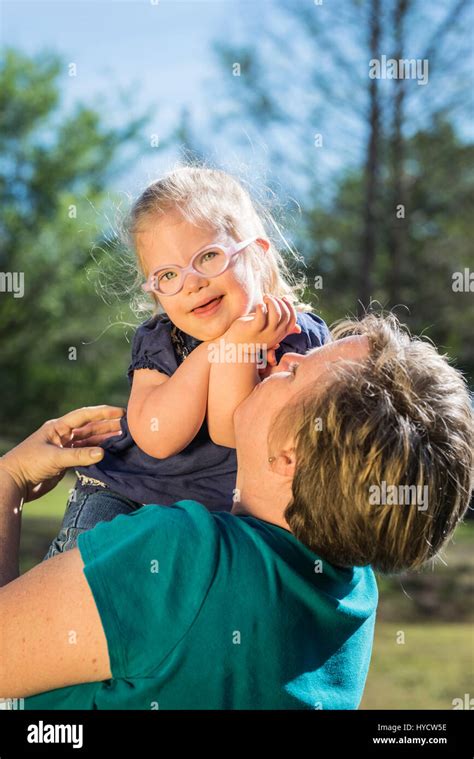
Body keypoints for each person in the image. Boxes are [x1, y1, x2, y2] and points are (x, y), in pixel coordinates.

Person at [0, 314, 471, 709]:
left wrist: (10, 482)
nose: (286, 356)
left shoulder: (185, 559)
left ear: (291, 456)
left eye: (294, 373)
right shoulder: (352, 592)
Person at [43, 166, 330, 561]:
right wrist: (217, 350)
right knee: (67, 606)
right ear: (157, 293)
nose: (191, 283)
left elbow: (233, 431)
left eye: (209, 257)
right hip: (127, 499)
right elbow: (157, 437)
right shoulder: (162, 340)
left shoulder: (301, 337)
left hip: (222, 522)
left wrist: (238, 346)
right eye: (168, 275)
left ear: (258, 256)